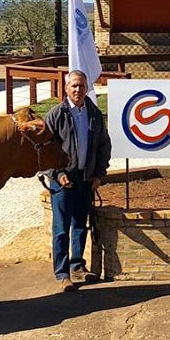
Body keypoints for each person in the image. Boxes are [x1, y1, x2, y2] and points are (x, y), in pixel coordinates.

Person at [44, 70, 112, 292]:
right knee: (61, 229)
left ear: (87, 89)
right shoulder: (56, 115)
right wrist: (57, 174)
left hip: (85, 180)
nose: (78, 89)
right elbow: (42, 152)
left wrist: (99, 175)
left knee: (80, 227)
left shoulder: (93, 113)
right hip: (62, 181)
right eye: (73, 85)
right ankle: (62, 273)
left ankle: (77, 267)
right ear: (65, 88)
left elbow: (104, 146)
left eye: (82, 86)